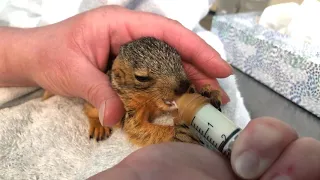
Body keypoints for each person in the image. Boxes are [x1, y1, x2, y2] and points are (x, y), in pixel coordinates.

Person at [0, 5, 319, 180]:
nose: (179, 84)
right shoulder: (120, 89)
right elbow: (138, 128)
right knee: (98, 112)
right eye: (142, 78)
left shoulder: (173, 81)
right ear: (125, 77)